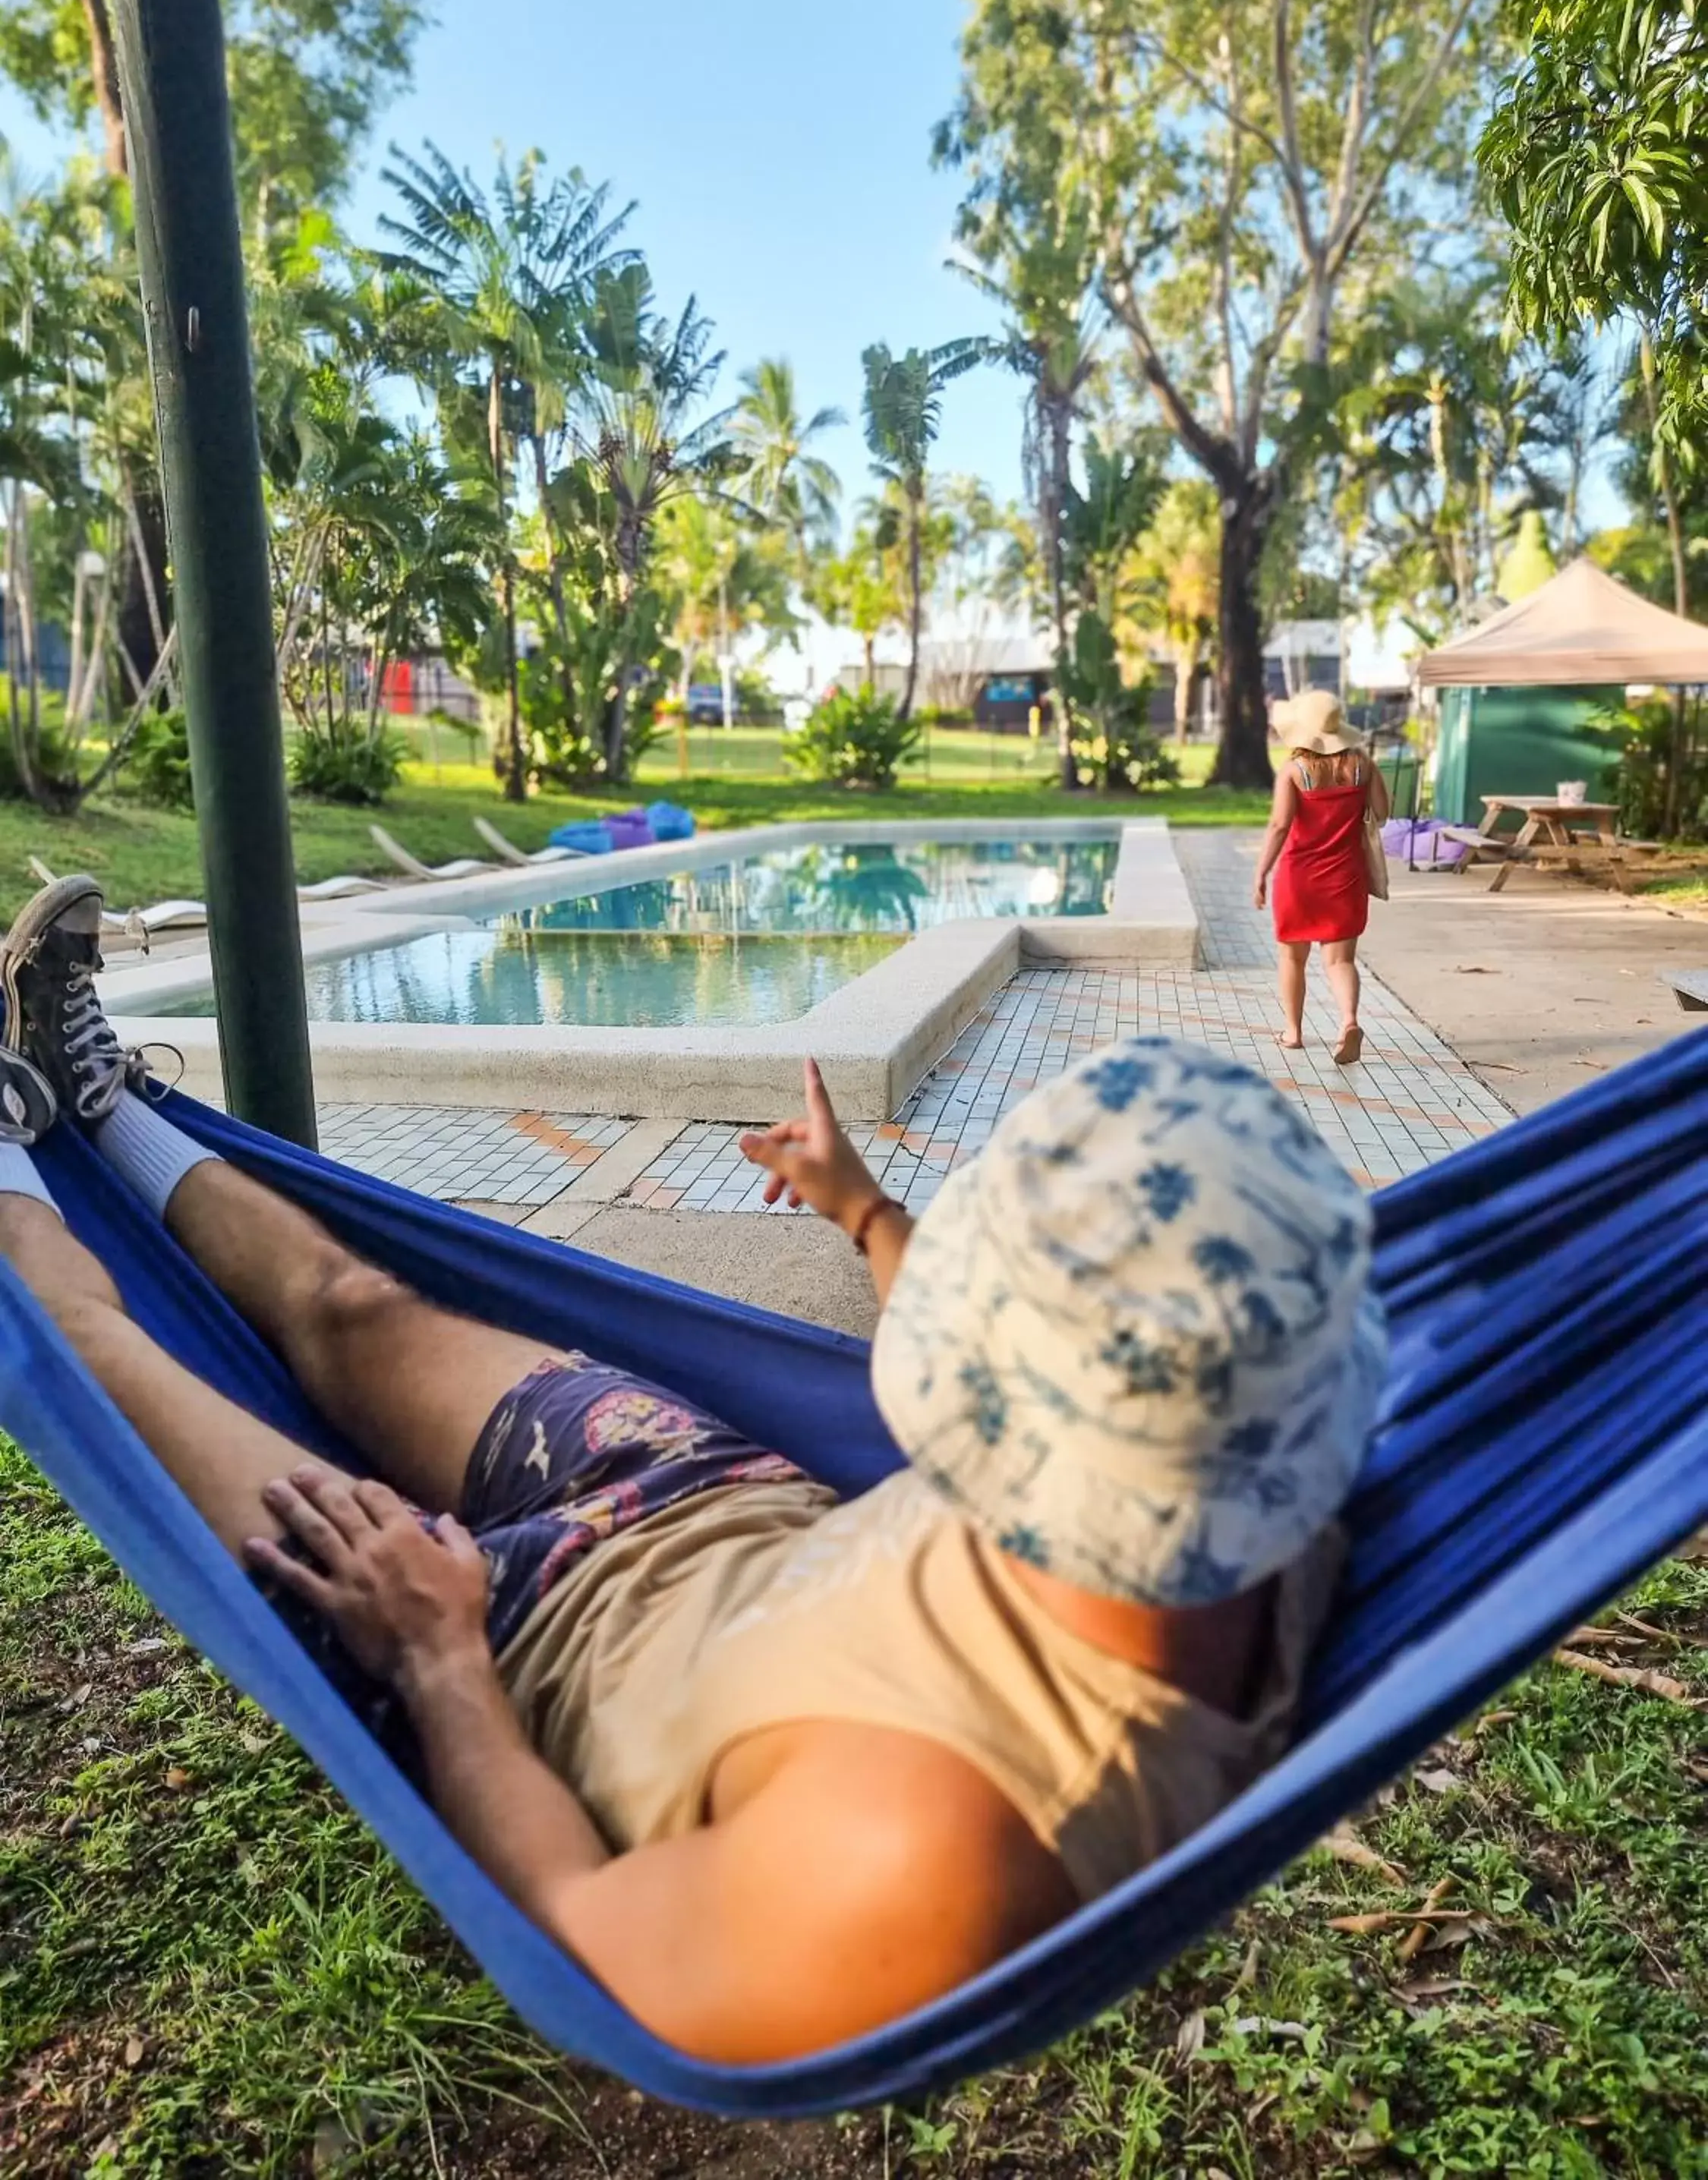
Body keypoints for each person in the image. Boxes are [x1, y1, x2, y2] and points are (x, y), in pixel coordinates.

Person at [0, 875, 1387, 2066]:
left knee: (98, 1355)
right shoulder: (1265, 1459)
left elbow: (581, 1927)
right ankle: (101, 1108)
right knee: (349, 1306)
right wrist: (871, 1213)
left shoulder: (930, 1853)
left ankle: (10, 1142)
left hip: (508, 1624)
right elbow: (1094, 1363)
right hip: (708, 1491)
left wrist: (441, 1662)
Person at [1252, 691, 1391, 1066]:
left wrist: (1262, 872)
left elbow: (1281, 825)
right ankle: (1349, 1022)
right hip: (1346, 876)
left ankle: (1293, 1032)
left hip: (1299, 877)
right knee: (1340, 962)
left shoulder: (1293, 772)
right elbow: (1382, 812)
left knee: (1292, 957)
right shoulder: (1363, 765)